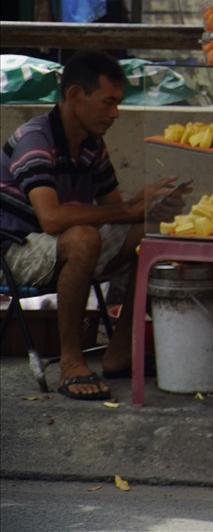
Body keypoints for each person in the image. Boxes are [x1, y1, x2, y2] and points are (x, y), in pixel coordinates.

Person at [0, 51, 182, 401]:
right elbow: (50, 218)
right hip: (14, 248)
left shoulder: (91, 145)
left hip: (59, 244)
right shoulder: (35, 140)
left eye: (118, 103)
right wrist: (129, 209)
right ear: (73, 96)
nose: (115, 114)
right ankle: (71, 363)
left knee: (148, 231)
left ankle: (119, 352)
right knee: (83, 238)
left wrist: (151, 207)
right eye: (108, 102)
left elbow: (117, 212)